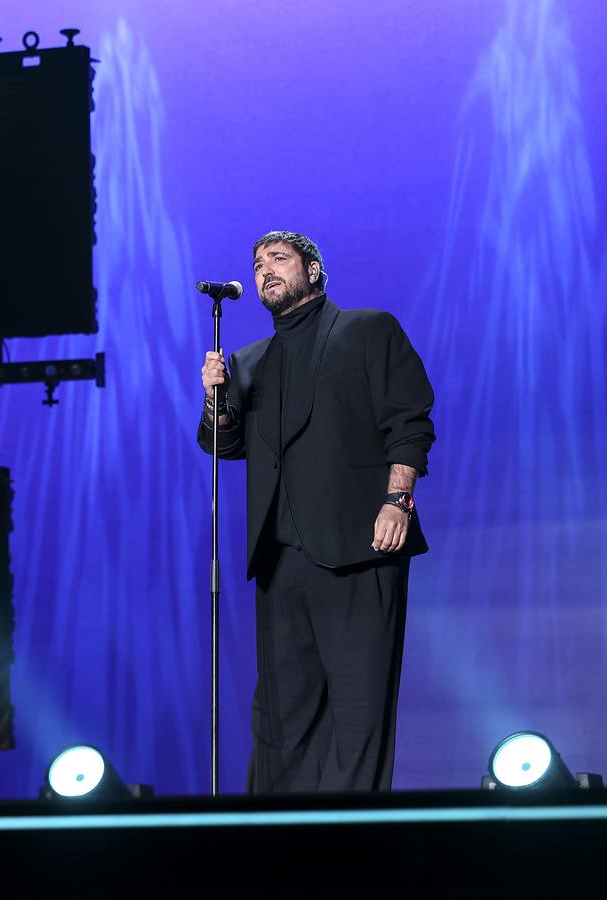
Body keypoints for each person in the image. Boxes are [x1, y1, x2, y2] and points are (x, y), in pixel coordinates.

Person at [197, 231, 435, 792]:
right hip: (280, 561)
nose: (264, 270)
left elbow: (409, 421)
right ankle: (278, 835)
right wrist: (215, 399)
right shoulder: (248, 361)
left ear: (313, 270)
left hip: (359, 547)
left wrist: (397, 500)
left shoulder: (367, 330)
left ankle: (351, 835)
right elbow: (223, 444)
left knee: (358, 713)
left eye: (278, 259)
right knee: (281, 721)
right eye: (257, 264)